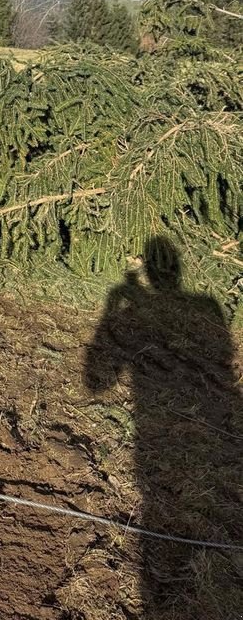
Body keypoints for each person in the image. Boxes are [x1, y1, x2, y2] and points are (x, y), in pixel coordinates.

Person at [85, 236, 243, 617]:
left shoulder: (189, 309)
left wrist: (112, 311)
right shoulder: (206, 305)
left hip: (164, 431)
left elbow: (95, 382)